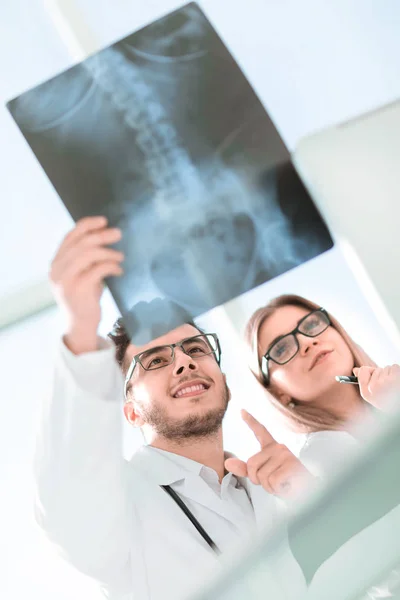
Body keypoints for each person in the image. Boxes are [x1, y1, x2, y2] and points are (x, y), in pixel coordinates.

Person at [36, 216, 315, 600]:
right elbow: (69, 505)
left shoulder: (271, 487)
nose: (184, 362)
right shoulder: (120, 504)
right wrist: (81, 328)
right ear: (131, 411)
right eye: (154, 360)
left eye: (196, 349)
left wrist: (311, 496)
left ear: (222, 379)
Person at [245, 293, 400, 598]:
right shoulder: (318, 463)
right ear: (278, 392)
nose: (306, 342)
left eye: (312, 324)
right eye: (282, 348)